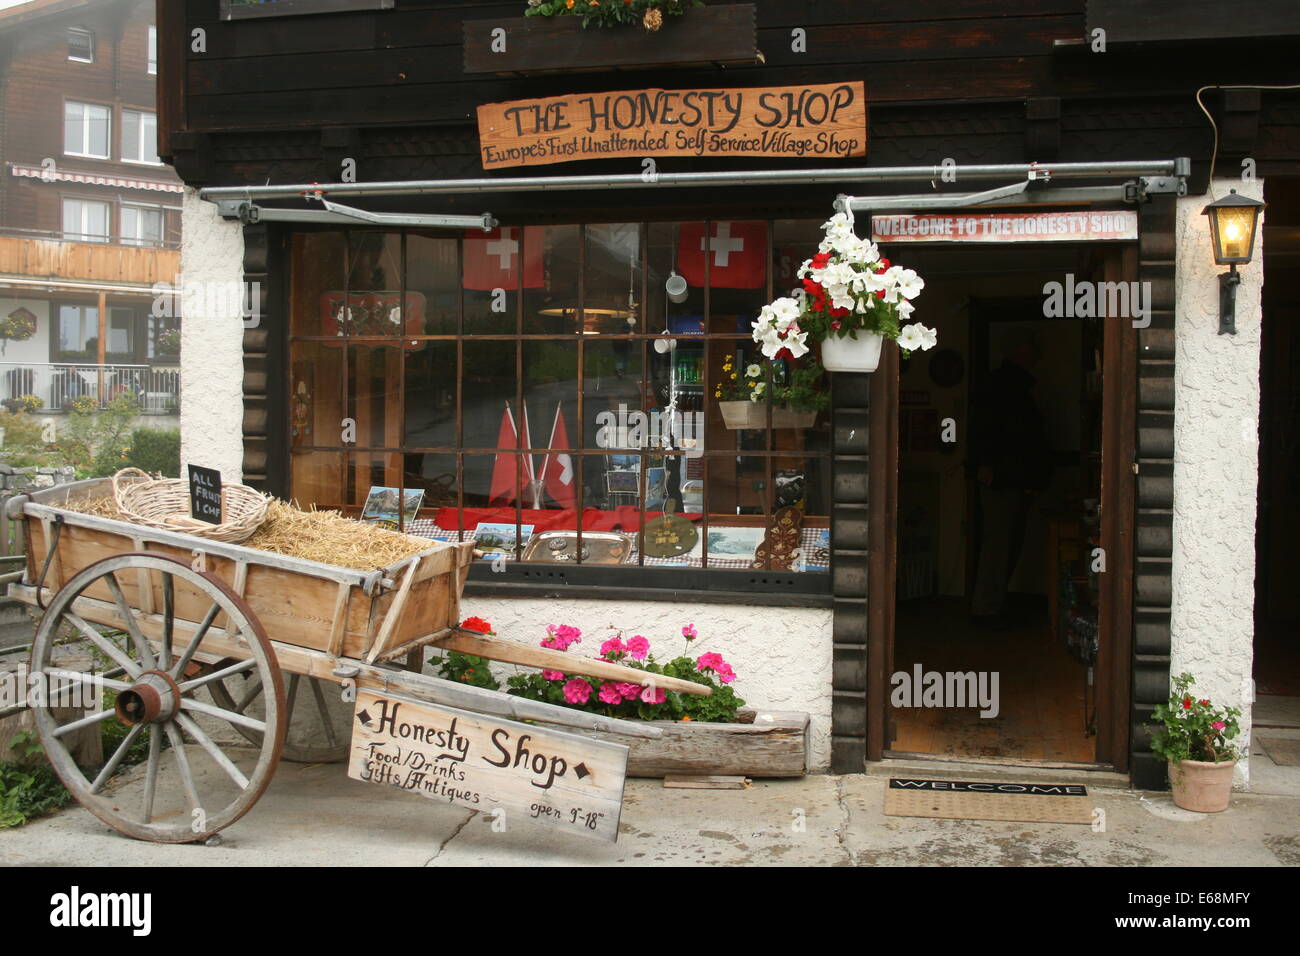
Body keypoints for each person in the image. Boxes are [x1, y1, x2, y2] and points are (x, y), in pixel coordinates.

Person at [969, 329, 1053, 627]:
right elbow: (987, 427)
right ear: (1018, 354)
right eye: (1032, 353)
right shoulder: (1003, 386)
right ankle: (986, 608)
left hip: (1013, 475)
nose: (1036, 360)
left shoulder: (1013, 386)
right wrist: (987, 465)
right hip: (1004, 477)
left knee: (1007, 542)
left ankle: (992, 604)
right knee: (1000, 542)